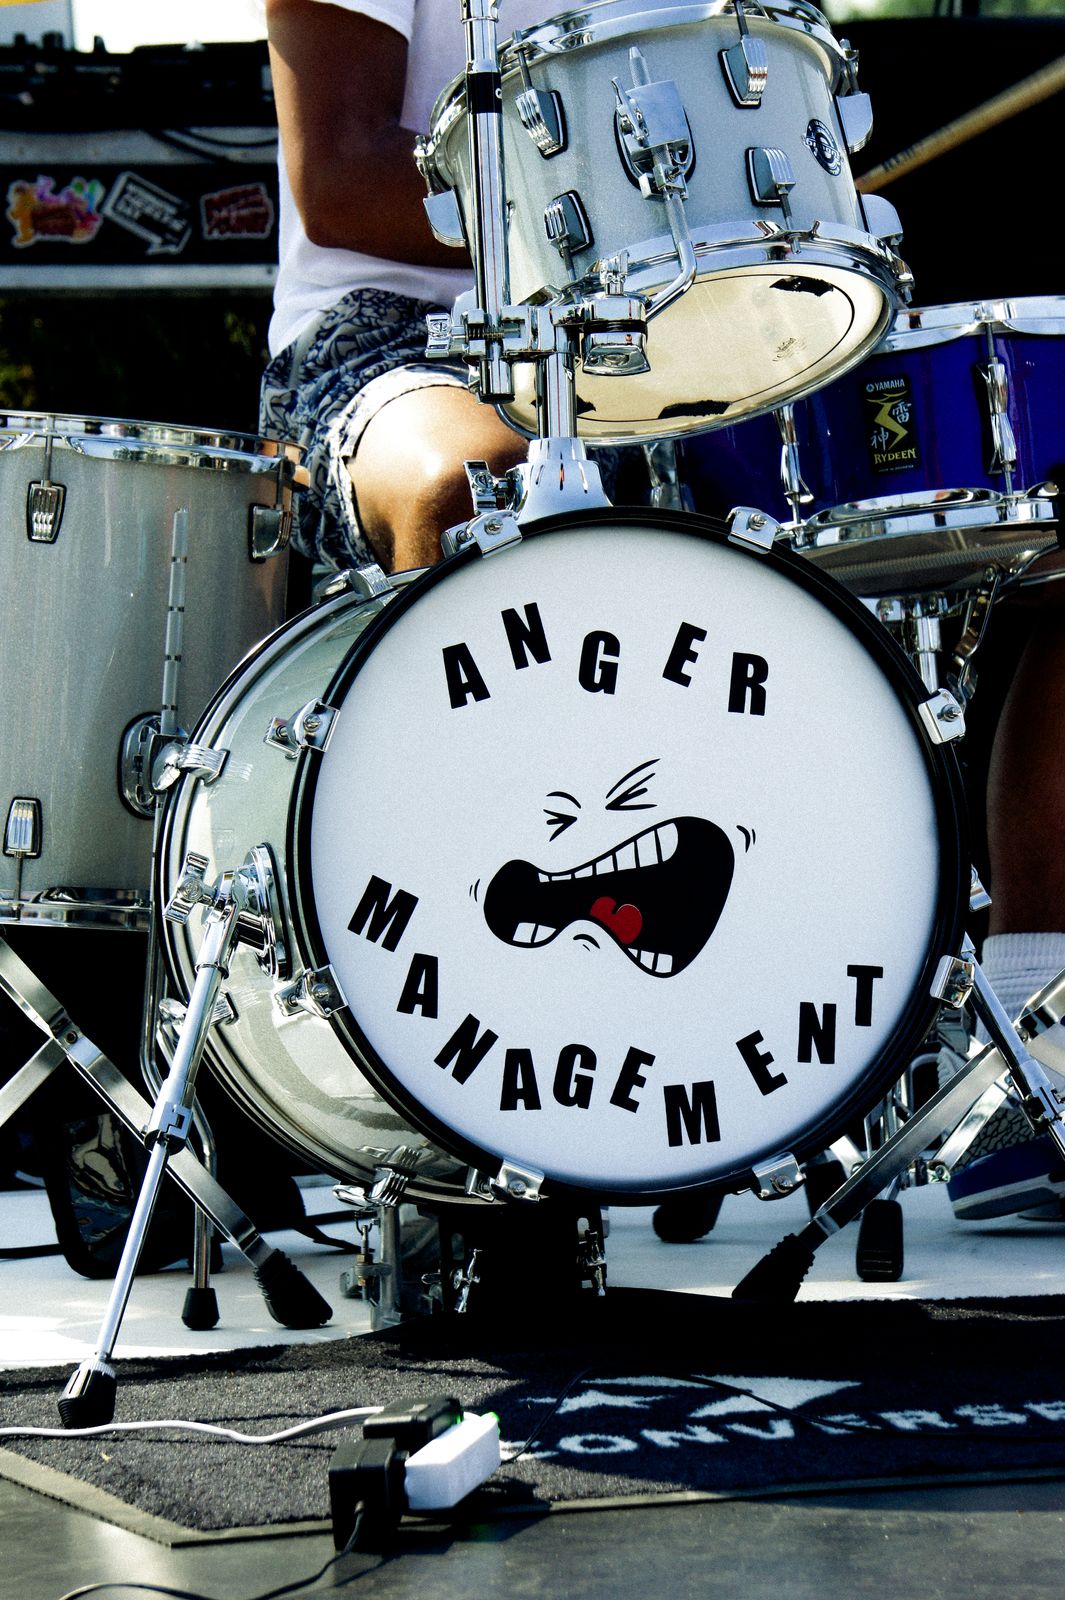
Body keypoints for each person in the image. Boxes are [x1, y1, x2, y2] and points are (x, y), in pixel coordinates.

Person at [260, 0, 556, 577]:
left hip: (656, 315)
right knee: (477, 488)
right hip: (387, 332)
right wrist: (600, 213)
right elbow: (339, 176)